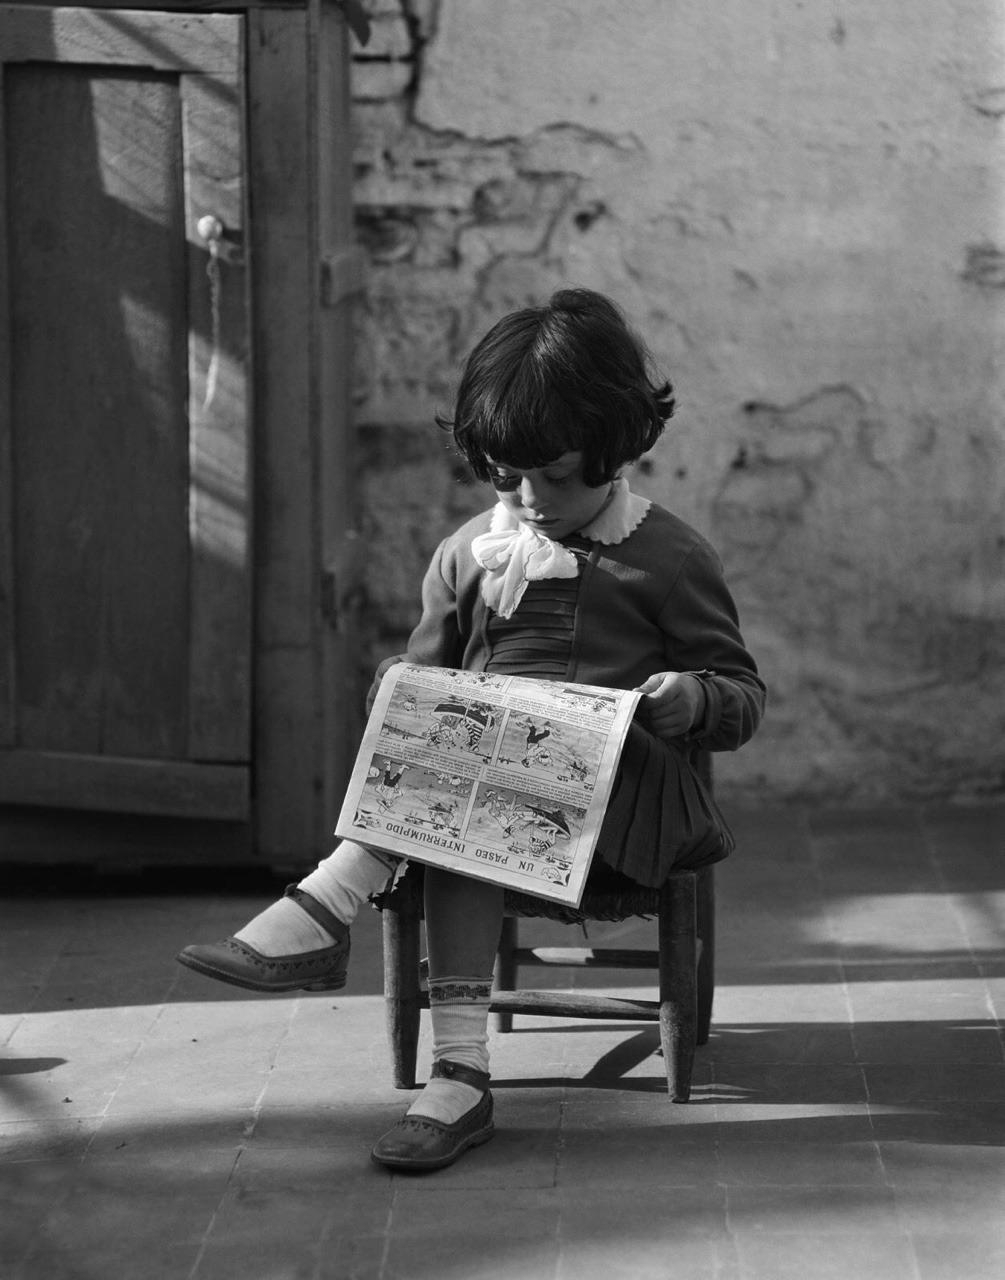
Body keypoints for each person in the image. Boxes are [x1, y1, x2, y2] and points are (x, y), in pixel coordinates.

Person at [177, 287, 766, 1172]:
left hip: (625, 816)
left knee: (469, 800)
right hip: (482, 813)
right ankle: (460, 1078)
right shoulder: (466, 556)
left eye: (557, 475)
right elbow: (424, 678)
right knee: (463, 805)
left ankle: (326, 903)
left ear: (615, 447)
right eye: (504, 475)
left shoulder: (668, 558)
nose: (529, 500)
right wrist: (404, 690)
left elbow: (742, 695)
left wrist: (694, 698)